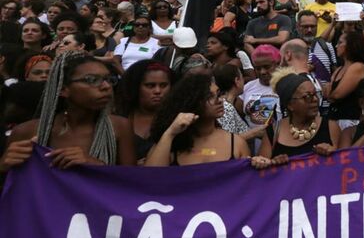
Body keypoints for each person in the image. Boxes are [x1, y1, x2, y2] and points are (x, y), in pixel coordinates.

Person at [1, 53, 136, 173]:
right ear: (63, 89)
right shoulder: (26, 131)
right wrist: (3, 166)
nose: (106, 87)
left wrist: (96, 166)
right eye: (92, 80)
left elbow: (132, 185)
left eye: (109, 79)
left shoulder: (119, 127)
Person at [146, 73, 254, 166]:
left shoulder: (236, 143)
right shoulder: (172, 141)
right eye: (209, 96)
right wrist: (170, 133)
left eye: (218, 94)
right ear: (192, 102)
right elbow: (151, 177)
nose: (220, 100)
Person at [260, 69, 333, 158]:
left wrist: (332, 153)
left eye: (315, 94)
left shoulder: (331, 127)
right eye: (307, 96)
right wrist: (274, 163)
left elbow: (343, 163)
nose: (315, 99)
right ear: (290, 105)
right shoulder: (273, 132)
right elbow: (263, 168)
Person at [115, 60, 173, 161]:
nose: (157, 91)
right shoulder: (120, 117)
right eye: (150, 85)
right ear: (136, 87)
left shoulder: (177, 119)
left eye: (163, 85)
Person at [325, 30, 364, 145]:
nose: (336, 45)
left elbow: (336, 95)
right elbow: (328, 95)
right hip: (333, 118)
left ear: (350, 45)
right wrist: (330, 94)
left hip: (349, 119)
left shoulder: (358, 67)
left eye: (340, 42)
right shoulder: (339, 69)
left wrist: (330, 93)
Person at [240, 45, 282, 148]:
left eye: (267, 67)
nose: (262, 72)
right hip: (253, 146)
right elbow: (239, 114)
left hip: (280, 143)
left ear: (278, 64)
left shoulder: (287, 86)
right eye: (258, 68)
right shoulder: (248, 87)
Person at [213, 63, 249, 135]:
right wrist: (254, 133)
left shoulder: (227, 104)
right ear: (237, 81)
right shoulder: (225, 108)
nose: (243, 81)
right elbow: (228, 140)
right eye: (242, 77)